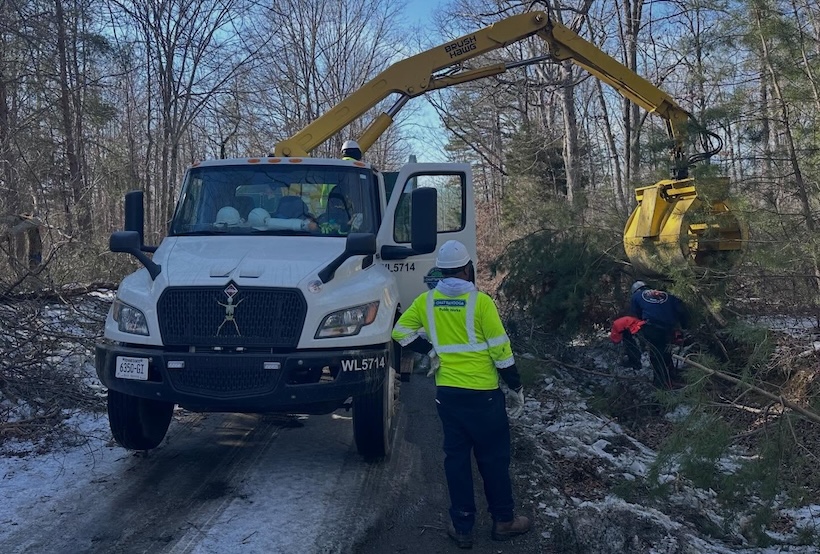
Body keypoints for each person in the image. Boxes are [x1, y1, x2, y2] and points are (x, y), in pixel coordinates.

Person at [392, 240, 531, 549]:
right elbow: (501, 351)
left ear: (441, 271)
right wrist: (516, 386)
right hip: (484, 396)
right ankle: (504, 520)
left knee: (456, 459)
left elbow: (400, 333)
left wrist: (430, 351)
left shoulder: (426, 302)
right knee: (493, 458)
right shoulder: (481, 303)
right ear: (469, 269)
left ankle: (463, 525)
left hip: (449, 395)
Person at [629, 281, 689, 389]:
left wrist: (640, 330)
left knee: (656, 355)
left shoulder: (636, 296)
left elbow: (636, 315)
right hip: (668, 328)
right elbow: (680, 308)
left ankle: (662, 383)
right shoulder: (666, 295)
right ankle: (671, 375)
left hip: (652, 327)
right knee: (665, 351)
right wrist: (684, 325)